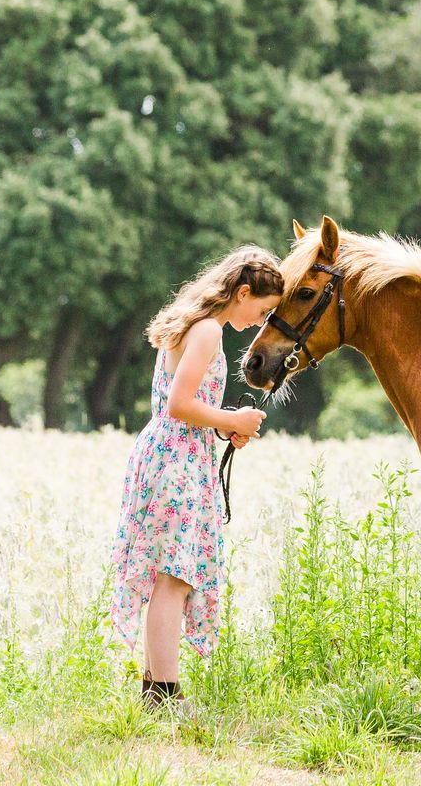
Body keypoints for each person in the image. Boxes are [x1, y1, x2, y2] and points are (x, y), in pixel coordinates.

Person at [110, 245, 276, 707]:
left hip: (173, 454)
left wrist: (224, 425)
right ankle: (164, 695)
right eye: (260, 310)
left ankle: (154, 687)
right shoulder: (206, 331)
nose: (257, 323)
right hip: (177, 461)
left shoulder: (193, 325)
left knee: (171, 574)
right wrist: (232, 418)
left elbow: (183, 407)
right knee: (175, 578)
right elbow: (179, 404)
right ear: (242, 292)